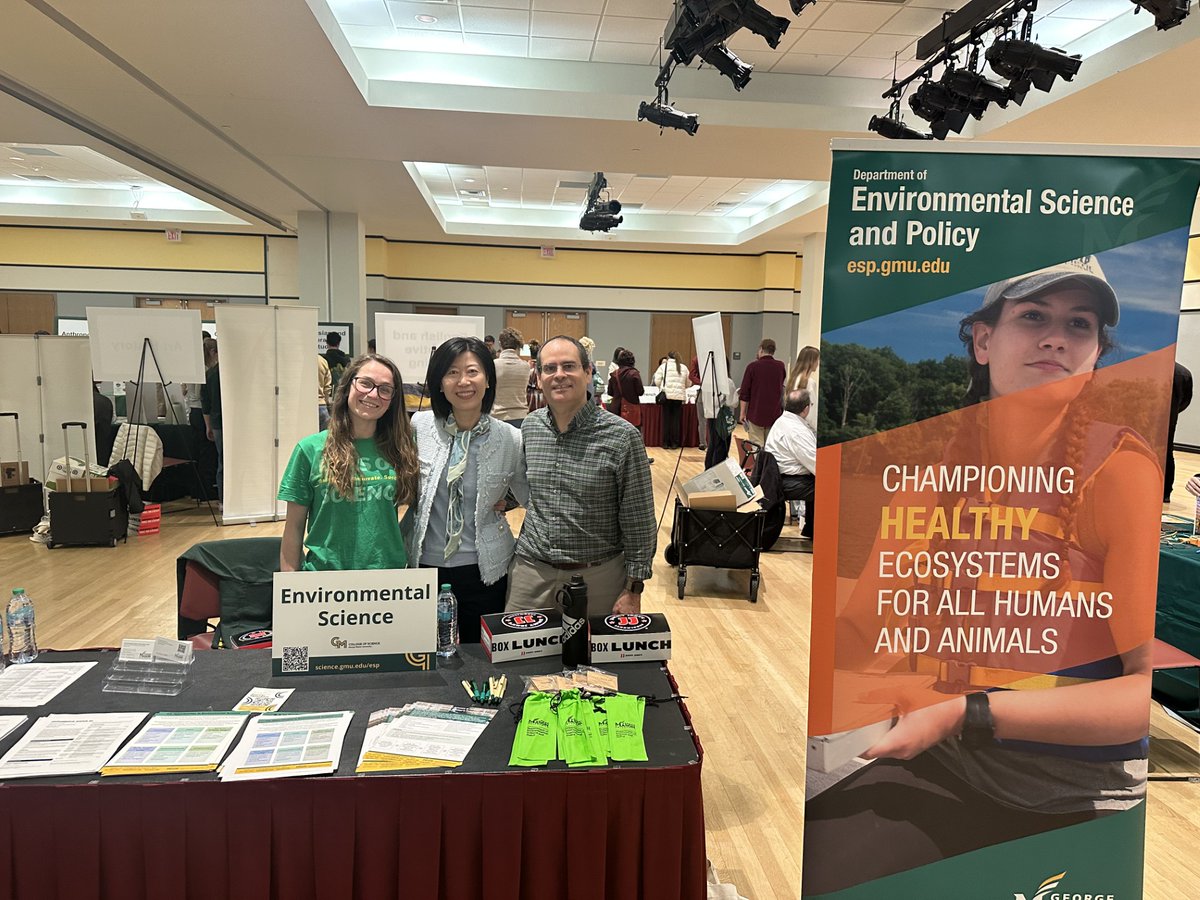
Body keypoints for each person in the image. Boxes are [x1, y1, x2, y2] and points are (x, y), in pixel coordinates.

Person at [802, 257, 1160, 894]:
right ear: (983, 339)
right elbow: (861, 631)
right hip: (954, 765)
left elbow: (1137, 702)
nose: (1056, 336)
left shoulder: (1120, 473)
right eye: (1033, 316)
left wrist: (965, 711)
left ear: (1097, 351)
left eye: (1078, 323)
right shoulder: (937, 481)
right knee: (833, 862)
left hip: (1077, 797)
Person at [506, 336, 656, 619]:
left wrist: (633, 588)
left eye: (569, 366)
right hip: (531, 574)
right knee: (519, 661)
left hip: (598, 578)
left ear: (588, 373)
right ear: (538, 378)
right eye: (549, 369)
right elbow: (524, 487)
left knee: (594, 662)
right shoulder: (530, 428)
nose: (559, 375)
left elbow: (639, 519)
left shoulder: (623, 437)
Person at [407, 337, 528, 643]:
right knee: (422, 654)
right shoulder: (418, 426)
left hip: (485, 568)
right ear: (439, 383)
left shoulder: (510, 439)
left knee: (482, 657)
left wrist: (509, 500)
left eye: (473, 371)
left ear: (488, 380)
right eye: (452, 372)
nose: (463, 381)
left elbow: (531, 493)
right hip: (423, 565)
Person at [278, 354, 420, 571]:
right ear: (348, 386)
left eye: (385, 389)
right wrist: (290, 589)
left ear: (393, 399)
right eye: (365, 383)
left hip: (389, 579)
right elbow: (294, 529)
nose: (373, 394)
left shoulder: (401, 448)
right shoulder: (310, 449)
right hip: (324, 581)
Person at [764, 390, 815, 540]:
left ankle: (811, 529)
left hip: (776, 478)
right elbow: (816, 464)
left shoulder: (782, 421)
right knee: (828, 486)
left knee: (820, 482)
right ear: (806, 409)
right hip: (788, 481)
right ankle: (819, 532)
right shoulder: (796, 430)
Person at [739, 338, 787, 446]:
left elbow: (744, 393)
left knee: (757, 446)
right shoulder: (780, 366)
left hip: (756, 414)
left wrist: (742, 413)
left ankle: (760, 463)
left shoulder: (752, 367)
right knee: (771, 446)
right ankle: (768, 463)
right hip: (774, 414)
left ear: (761, 349)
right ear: (773, 351)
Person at [608, 348, 650, 460]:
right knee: (635, 433)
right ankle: (637, 457)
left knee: (616, 433)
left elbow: (610, 392)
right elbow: (640, 391)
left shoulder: (613, 374)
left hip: (616, 408)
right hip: (632, 408)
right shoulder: (634, 374)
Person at [199, 339, 223, 503]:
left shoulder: (209, 374)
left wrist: (208, 426)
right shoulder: (232, 374)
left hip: (216, 423)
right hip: (230, 423)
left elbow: (205, 403)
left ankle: (223, 500)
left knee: (222, 461)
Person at [491, 327, 529, 428]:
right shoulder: (526, 366)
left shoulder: (493, 365)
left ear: (500, 343)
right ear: (517, 345)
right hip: (521, 417)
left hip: (498, 417)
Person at [1165, 362, 1192, 501]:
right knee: (1167, 451)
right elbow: (1185, 401)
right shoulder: (1183, 372)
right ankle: (1165, 493)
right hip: (1169, 417)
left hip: (1147, 417)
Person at [653, 351, 688, 450]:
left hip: (667, 396)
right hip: (678, 397)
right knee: (675, 421)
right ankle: (675, 443)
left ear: (668, 357)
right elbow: (688, 382)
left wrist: (662, 387)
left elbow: (657, 380)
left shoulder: (663, 367)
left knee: (666, 420)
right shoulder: (683, 367)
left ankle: (665, 442)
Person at [786, 345, 820, 430]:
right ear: (811, 361)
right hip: (805, 429)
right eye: (817, 359)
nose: (818, 363)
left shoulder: (793, 379)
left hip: (792, 426)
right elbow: (812, 413)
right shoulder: (810, 383)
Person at [688, 355, 707, 450]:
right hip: (713, 390)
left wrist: (701, 382)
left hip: (702, 390)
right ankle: (707, 442)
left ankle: (703, 442)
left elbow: (691, 376)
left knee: (702, 419)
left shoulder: (696, 359)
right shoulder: (718, 357)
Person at [317, 354, 332, 431]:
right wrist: (326, 401)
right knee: (324, 439)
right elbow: (327, 387)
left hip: (305, 406)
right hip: (321, 405)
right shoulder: (322, 361)